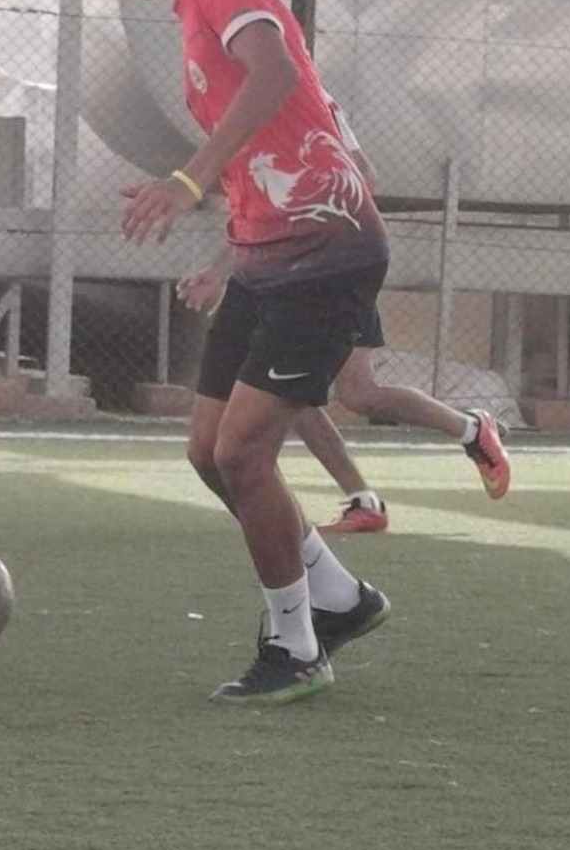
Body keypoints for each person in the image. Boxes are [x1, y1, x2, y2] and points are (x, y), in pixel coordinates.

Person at [67, 0, 510, 706]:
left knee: (244, 450)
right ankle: (337, 597)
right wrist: (225, 249)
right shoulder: (195, 7)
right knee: (208, 452)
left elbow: (272, 74)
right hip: (268, 258)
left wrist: (186, 181)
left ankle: (296, 645)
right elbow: (266, 143)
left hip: (325, 255)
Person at [176, 98, 512, 536]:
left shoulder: (308, 102)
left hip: (329, 274)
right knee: (282, 389)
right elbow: (257, 217)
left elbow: (363, 175)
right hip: (278, 279)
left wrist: (316, 215)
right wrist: (218, 271)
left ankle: (470, 430)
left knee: (357, 394)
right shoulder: (237, 110)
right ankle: (365, 499)